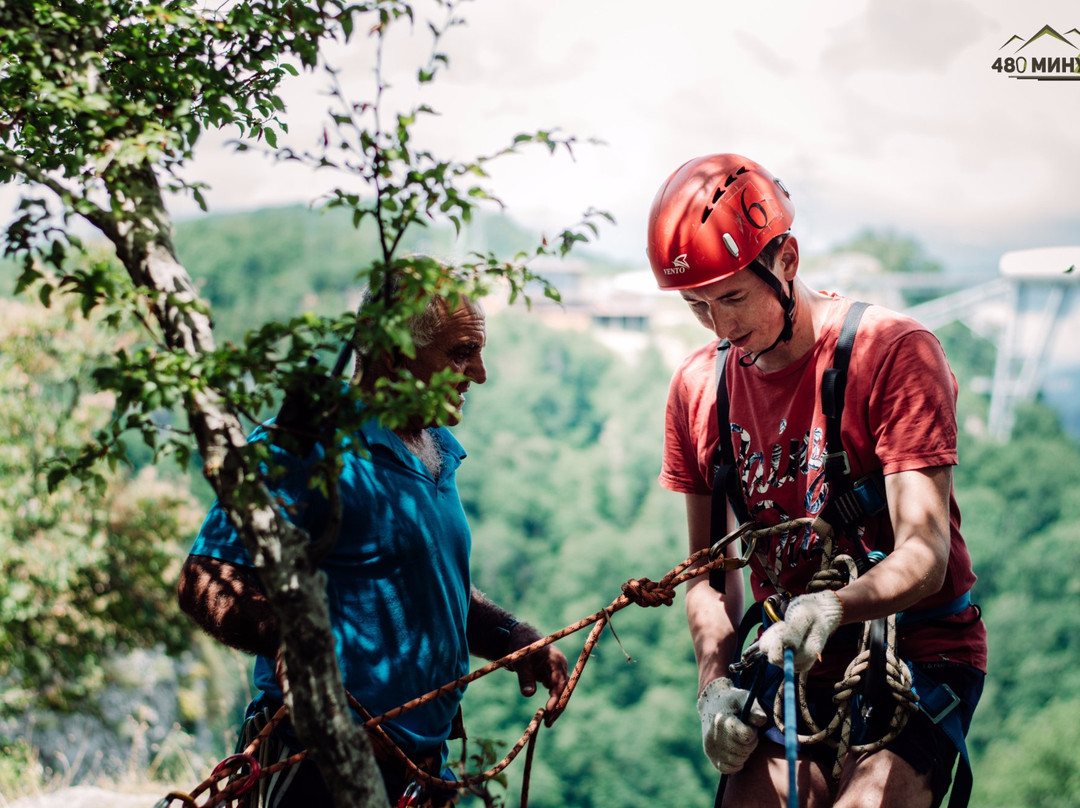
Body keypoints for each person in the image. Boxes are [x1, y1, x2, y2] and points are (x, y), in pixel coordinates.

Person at [647, 154, 987, 808]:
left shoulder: (891, 353)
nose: (721, 328)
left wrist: (833, 608)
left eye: (732, 298)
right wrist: (713, 688)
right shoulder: (698, 388)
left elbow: (925, 554)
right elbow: (712, 578)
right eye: (697, 307)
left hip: (914, 647)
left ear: (788, 262)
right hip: (784, 653)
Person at [177, 271, 569, 807]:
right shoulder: (309, 442)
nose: (478, 373)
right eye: (461, 353)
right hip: (316, 768)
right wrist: (295, 641)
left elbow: (419, 584)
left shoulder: (435, 449)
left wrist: (508, 635)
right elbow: (204, 579)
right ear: (392, 354)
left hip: (421, 774)